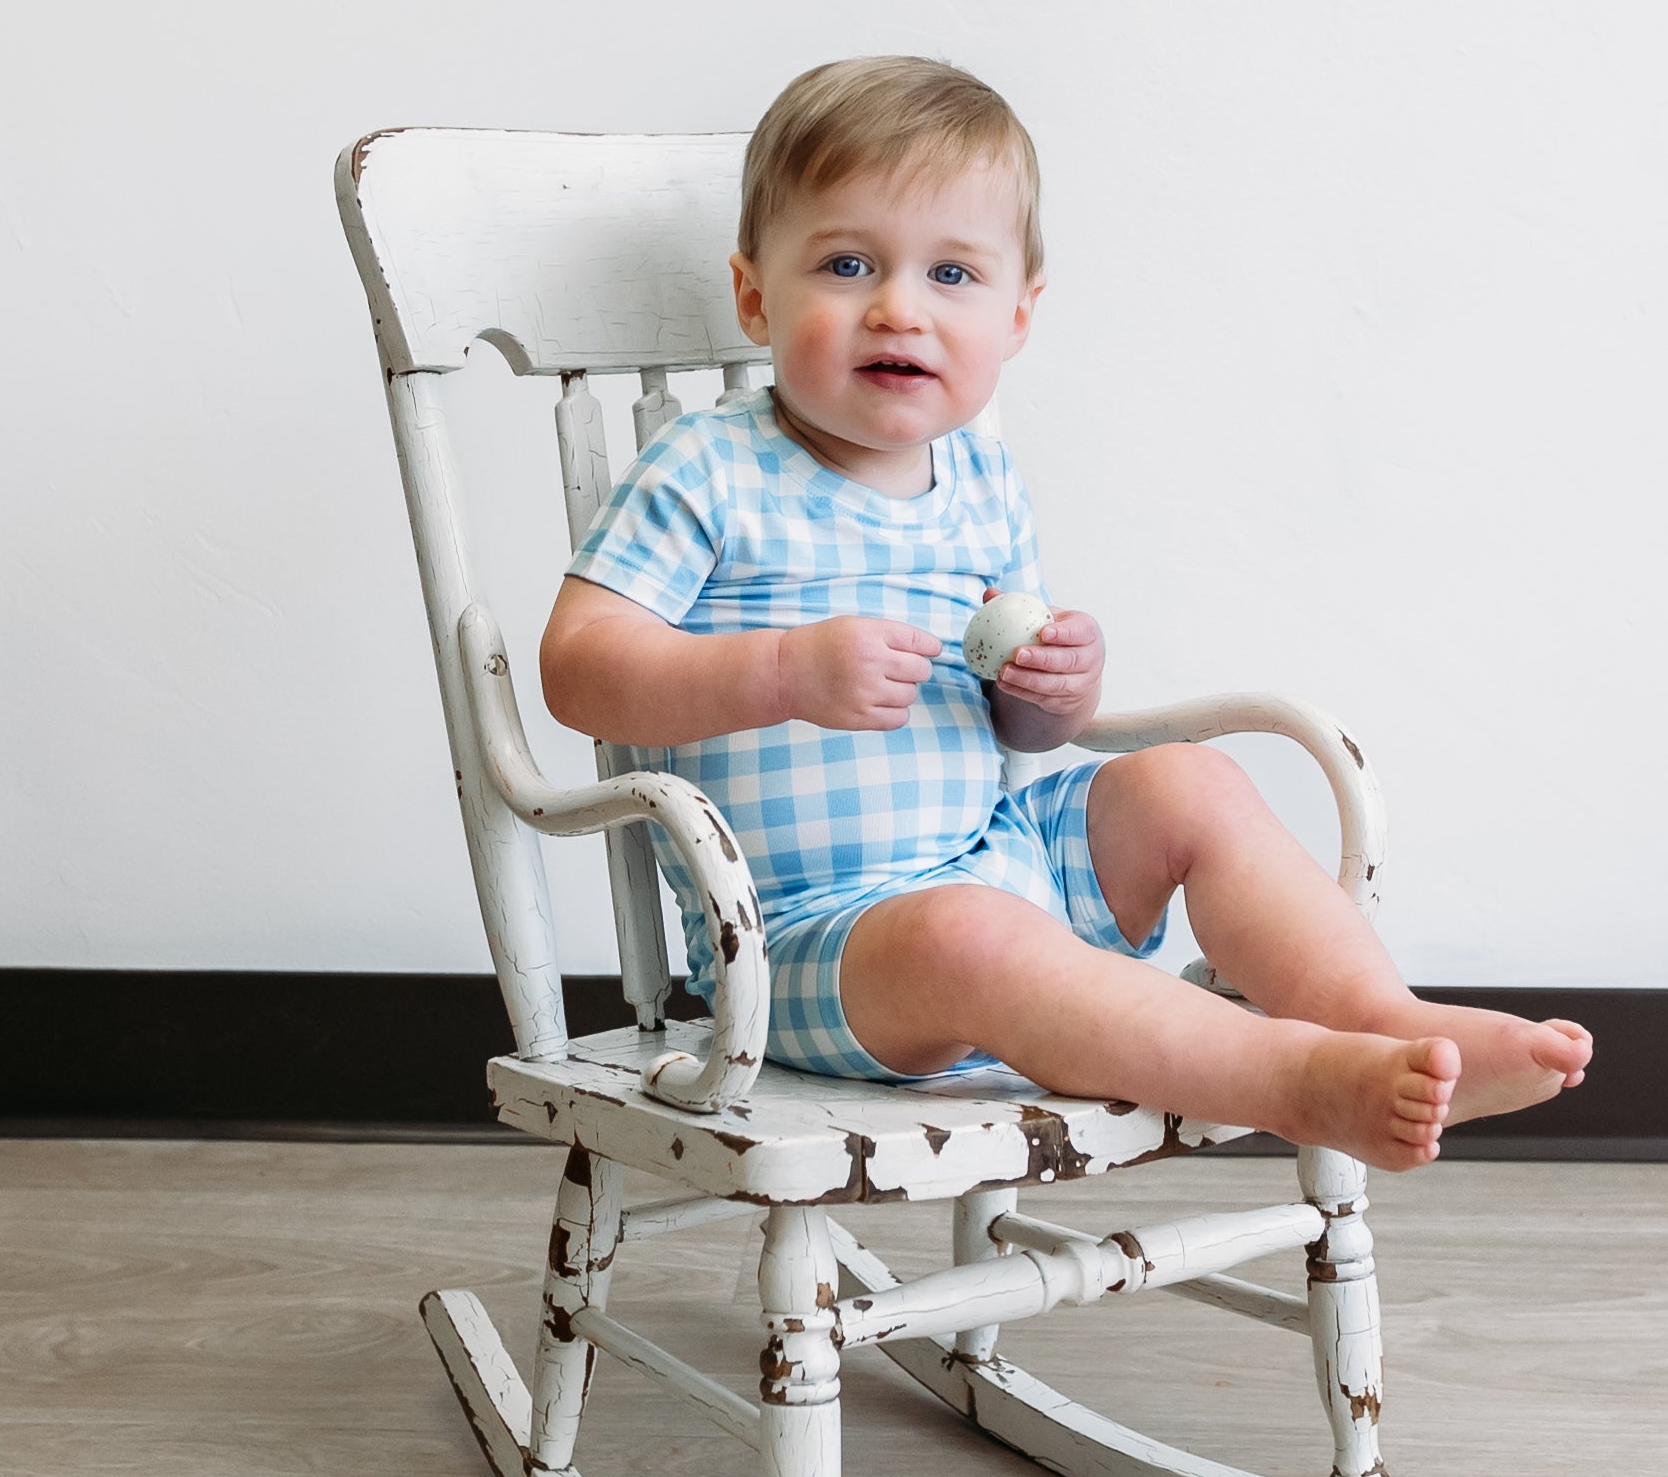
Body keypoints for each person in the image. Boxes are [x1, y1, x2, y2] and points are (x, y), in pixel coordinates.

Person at [540, 57, 1591, 1169]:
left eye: (952, 274)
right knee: (968, 935)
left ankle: (1384, 1018)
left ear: (1018, 315)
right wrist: (782, 674)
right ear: (756, 295)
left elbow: (1019, 740)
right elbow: (579, 666)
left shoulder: (982, 485)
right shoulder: (706, 469)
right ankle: (1290, 1078)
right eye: (847, 264)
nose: (899, 306)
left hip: (998, 855)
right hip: (805, 946)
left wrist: (1051, 693)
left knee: (1189, 779)